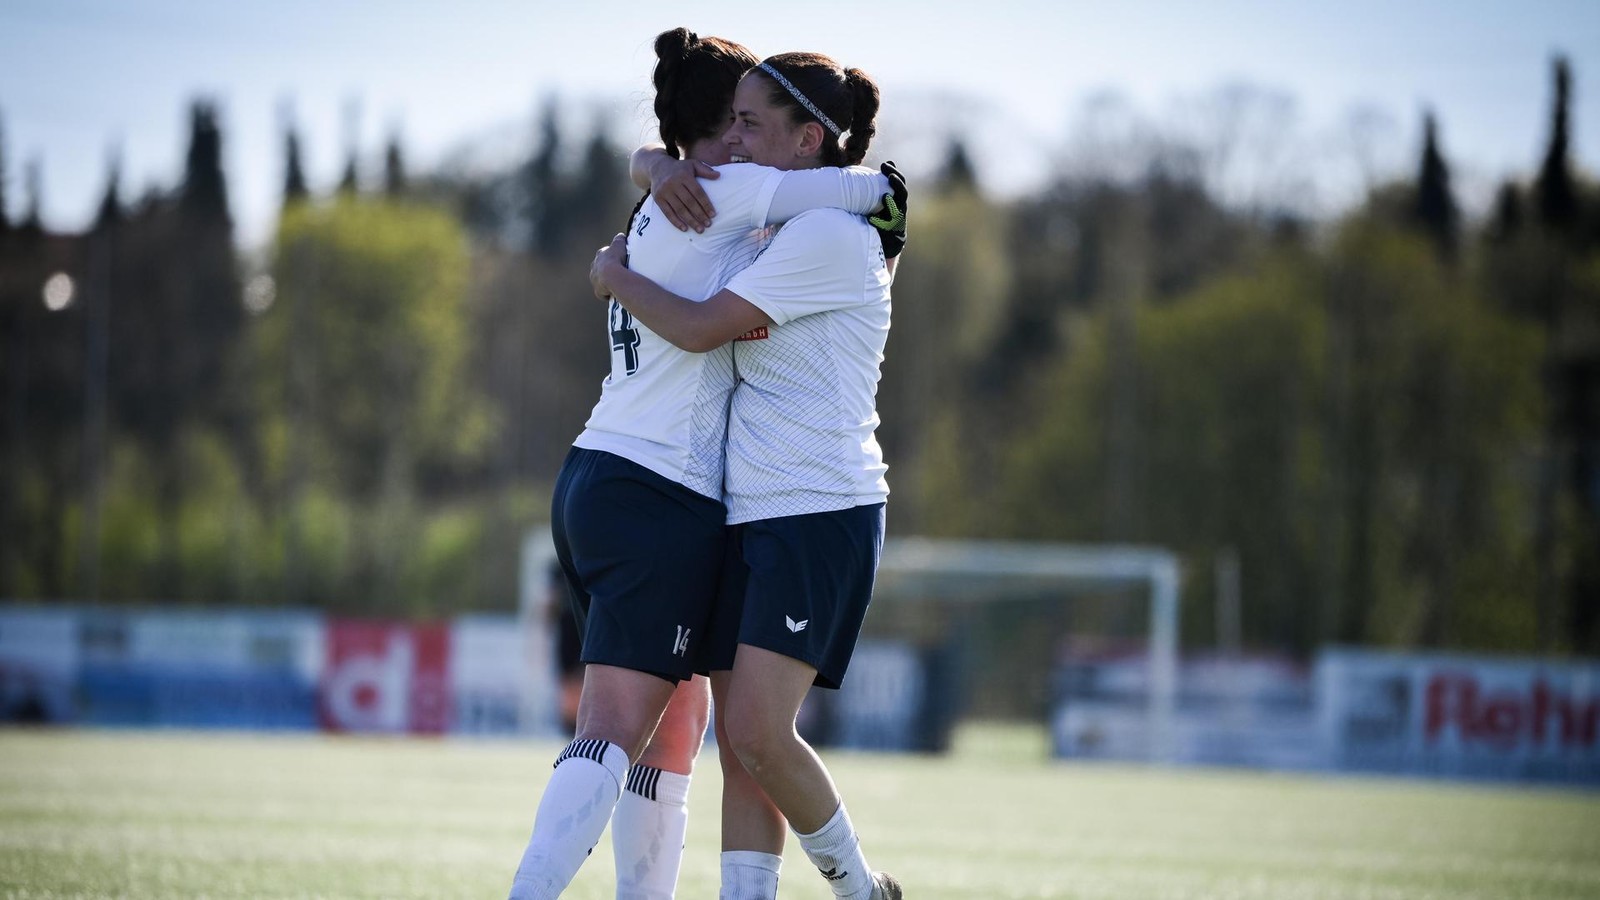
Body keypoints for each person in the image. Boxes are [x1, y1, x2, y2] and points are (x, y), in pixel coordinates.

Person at [507, 29, 896, 900]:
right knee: (639, 728)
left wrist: (640, 194)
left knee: (685, 727)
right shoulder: (730, 195)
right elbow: (862, 188)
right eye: (738, 122)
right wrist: (889, 195)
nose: (744, 140)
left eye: (758, 123)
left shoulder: (693, 199)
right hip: (667, 492)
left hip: (639, 480)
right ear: (711, 132)